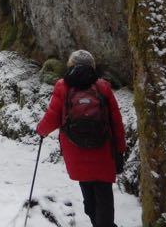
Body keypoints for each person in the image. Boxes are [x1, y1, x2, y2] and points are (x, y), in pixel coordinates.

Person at [35, 50, 126, 227]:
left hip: (75, 151)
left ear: (71, 65)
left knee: (88, 191)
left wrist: (41, 131)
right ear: (92, 66)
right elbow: (116, 123)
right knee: (104, 195)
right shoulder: (103, 87)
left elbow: (52, 116)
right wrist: (120, 151)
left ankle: (96, 221)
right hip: (103, 152)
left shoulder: (63, 86)